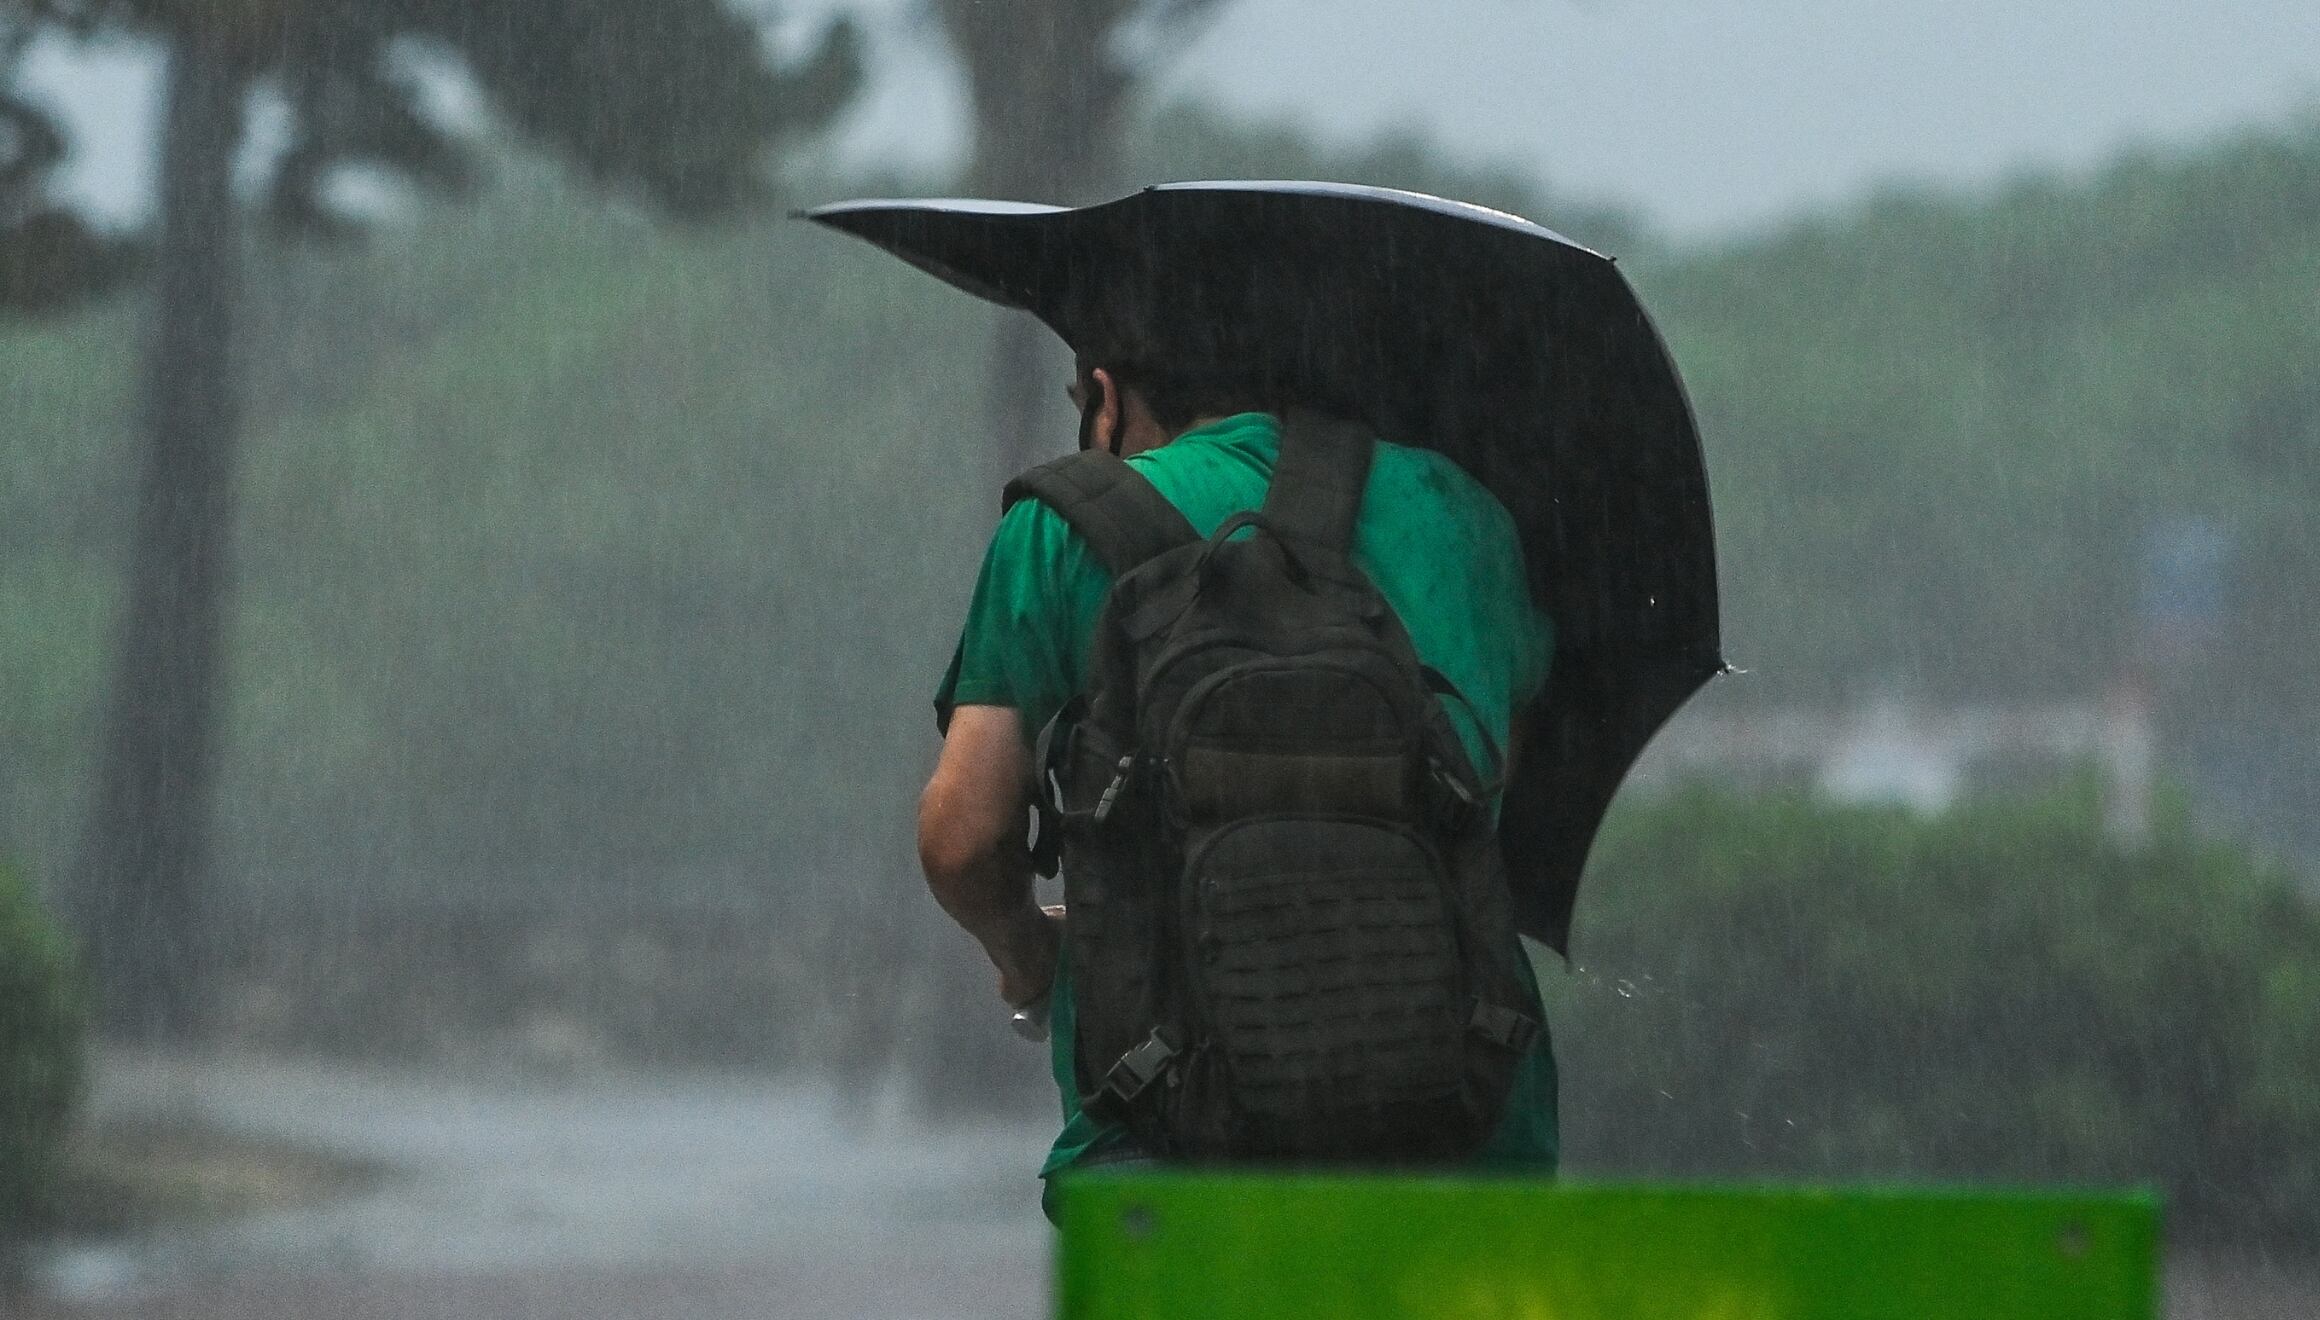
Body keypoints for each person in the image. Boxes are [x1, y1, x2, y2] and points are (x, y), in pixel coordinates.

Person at [917, 350, 1561, 1214]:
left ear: (1105, 399)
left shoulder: (1056, 527)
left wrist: (1031, 957)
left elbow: (963, 840)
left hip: (1168, 1162)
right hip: (1462, 1139)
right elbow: (1490, 778)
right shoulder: (1462, 514)